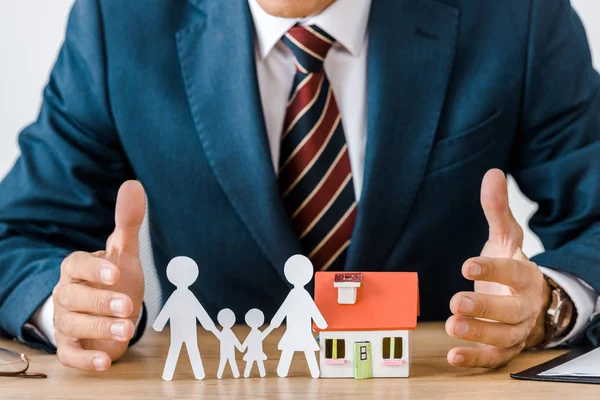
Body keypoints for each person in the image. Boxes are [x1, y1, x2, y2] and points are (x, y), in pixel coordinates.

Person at [0, 0, 599, 373]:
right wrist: (71, 307)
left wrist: (544, 304)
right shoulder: (120, 21)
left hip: (435, 381)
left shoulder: (518, 15)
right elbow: (18, 236)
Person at [263, 255, 328, 379]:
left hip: (301, 331)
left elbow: (312, 310)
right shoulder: (297, 295)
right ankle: (287, 371)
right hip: (295, 331)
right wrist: (321, 323)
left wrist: (321, 323)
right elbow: (285, 309)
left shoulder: (301, 295)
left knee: (302, 349)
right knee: (293, 349)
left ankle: (314, 372)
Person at [152, 256, 216, 381]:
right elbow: (167, 310)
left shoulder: (185, 295)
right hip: (177, 331)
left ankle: (198, 374)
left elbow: (198, 310)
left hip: (189, 331)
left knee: (187, 350)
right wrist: (158, 325)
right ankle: (172, 375)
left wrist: (158, 325)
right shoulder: (178, 295)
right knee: (180, 350)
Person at [214, 308, 243, 379]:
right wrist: (241, 348)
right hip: (227, 351)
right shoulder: (228, 332)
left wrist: (214, 330)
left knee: (225, 362)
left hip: (228, 351)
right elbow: (235, 341)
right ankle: (232, 375)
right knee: (228, 362)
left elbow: (233, 340)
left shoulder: (226, 332)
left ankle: (221, 375)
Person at [242, 308, 269, 378]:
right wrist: (270, 328)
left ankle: (248, 374)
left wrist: (242, 347)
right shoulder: (255, 333)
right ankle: (248, 374)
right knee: (255, 362)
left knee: (255, 362)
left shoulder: (253, 333)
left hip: (255, 352)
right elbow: (263, 336)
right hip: (255, 352)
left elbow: (246, 343)